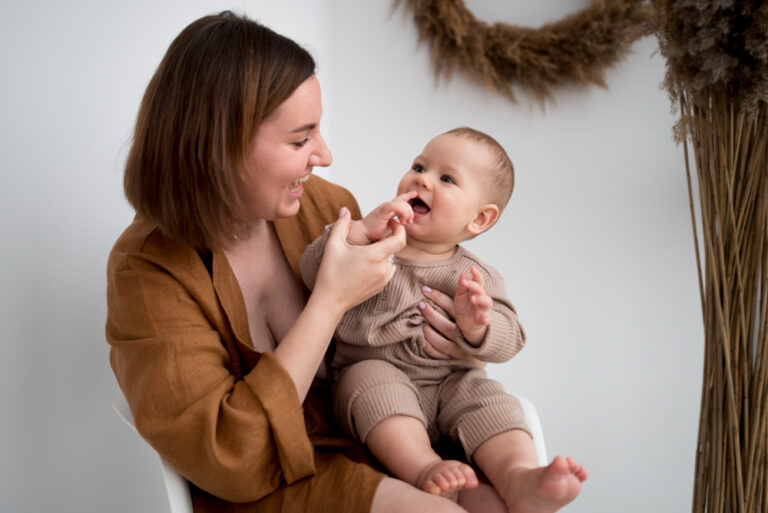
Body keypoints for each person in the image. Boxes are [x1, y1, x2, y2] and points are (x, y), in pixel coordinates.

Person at [105, 11, 486, 513]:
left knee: (501, 500)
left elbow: (399, 352)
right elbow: (231, 458)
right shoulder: (148, 271)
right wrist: (330, 300)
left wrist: (458, 335)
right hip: (266, 483)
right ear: (221, 148)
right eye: (300, 139)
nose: (324, 154)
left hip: (373, 440)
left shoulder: (326, 208)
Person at [299, 127, 588, 512]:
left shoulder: (475, 276)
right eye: (419, 166)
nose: (422, 178)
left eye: (446, 178)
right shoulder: (372, 246)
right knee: (368, 383)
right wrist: (355, 233)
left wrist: (478, 325)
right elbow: (311, 270)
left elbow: (511, 339)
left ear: (479, 219)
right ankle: (425, 468)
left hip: (453, 381)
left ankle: (518, 476)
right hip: (378, 373)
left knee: (492, 401)